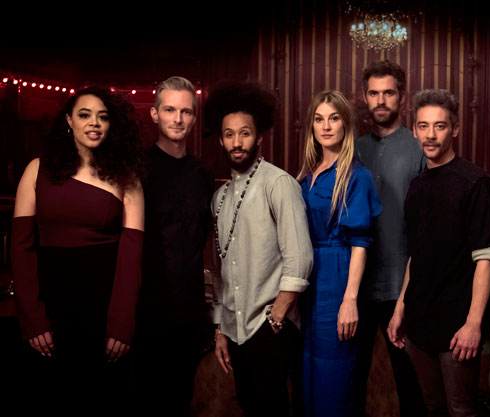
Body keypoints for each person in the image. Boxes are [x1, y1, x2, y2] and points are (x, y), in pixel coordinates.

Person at [12, 87, 145, 415]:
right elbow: (21, 247)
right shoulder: (36, 170)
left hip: (103, 311)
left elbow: (132, 257)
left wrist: (121, 324)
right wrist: (32, 319)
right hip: (48, 307)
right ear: (69, 121)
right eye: (85, 115)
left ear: (111, 125)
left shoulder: (126, 178)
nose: (94, 123)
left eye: (103, 117)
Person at [388, 89, 490, 417]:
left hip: (457, 327)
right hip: (418, 323)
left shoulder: (476, 183)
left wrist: (474, 325)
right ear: (415, 130)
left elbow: (485, 260)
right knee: (432, 407)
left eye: (439, 126)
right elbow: (416, 255)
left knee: (461, 410)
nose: (431, 134)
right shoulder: (417, 185)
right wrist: (400, 308)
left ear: (455, 129)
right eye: (423, 126)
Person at [207, 81, 313, 417]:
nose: (237, 142)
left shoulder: (278, 183)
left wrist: (279, 311)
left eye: (245, 133)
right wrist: (220, 328)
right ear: (221, 139)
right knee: (249, 406)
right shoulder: (219, 198)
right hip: (234, 328)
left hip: (270, 325)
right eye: (229, 135)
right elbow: (221, 268)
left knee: (273, 408)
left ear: (259, 137)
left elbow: (300, 255)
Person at [297, 90, 382, 417]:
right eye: (319, 119)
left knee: (334, 371)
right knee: (307, 367)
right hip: (307, 279)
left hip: (337, 276)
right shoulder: (307, 174)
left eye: (334, 118)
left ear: (345, 124)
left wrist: (350, 299)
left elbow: (360, 242)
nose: (326, 126)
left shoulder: (356, 175)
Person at [134, 76, 213, 416]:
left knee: (183, 401)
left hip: (191, 313)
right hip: (146, 312)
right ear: (154, 114)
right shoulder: (136, 169)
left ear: (194, 117)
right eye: (169, 110)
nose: (178, 119)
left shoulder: (202, 174)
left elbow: (204, 240)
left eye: (186, 112)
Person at [353, 60, 426, 417]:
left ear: (402, 97)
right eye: (374, 93)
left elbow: (429, 227)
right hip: (356, 287)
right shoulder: (352, 148)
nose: (381, 101)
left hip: (403, 287)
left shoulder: (419, 147)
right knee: (352, 381)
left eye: (389, 93)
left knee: (410, 384)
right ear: (364, 97)